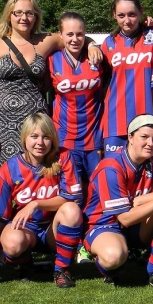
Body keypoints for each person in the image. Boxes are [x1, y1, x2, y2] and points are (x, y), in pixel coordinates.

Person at [0, 0, 99, 181]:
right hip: (2, 127)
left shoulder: (46, 41)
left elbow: (74, 36)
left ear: (36, 16)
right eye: (18, 13)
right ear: (9, 15)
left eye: (29, 13)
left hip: (36, 127)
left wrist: (92, 45)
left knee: (37, 181)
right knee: (1, 183)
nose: (24, 18)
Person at [83, 115, 153, 289]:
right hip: (105, 224)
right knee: (113, 257)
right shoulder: (111, 167)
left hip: (136, 223)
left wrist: (142, 200)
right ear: (130, 137)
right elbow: (125, 218)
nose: (150, 143)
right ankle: (113, 269)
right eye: (144, 137)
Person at [0, 113, 84, 288]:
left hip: (53, 228)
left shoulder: (63, 157)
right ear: (24, 138)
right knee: (12, 243)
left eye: (46, 137)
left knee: (71, 210)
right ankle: (26, 264)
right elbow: (0, 218)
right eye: (34, 136)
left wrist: (36, 204)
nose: (40, 142)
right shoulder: (9, 169)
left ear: (53, 139)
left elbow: (72, 197)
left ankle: (62, 270)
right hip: (26, 229)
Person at [101, 0, 153, 153]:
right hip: (116, 121)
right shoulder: (108, 43)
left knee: (147, 168)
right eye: (121, 15)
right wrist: (90, 45)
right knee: (114, 167)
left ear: (141, 12)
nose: (127, 20)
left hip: (148, 120)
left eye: (132, 14)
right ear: (114, 15)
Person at [50, 11, 105, 197]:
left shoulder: (97, 58)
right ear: (60, 35)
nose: (75, 39)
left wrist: (92, 44)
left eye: (80, 34)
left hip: (94, 138)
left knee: (98, 192)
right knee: (73, 194)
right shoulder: (52, 60)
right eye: (70, 34)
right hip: (65, 139)